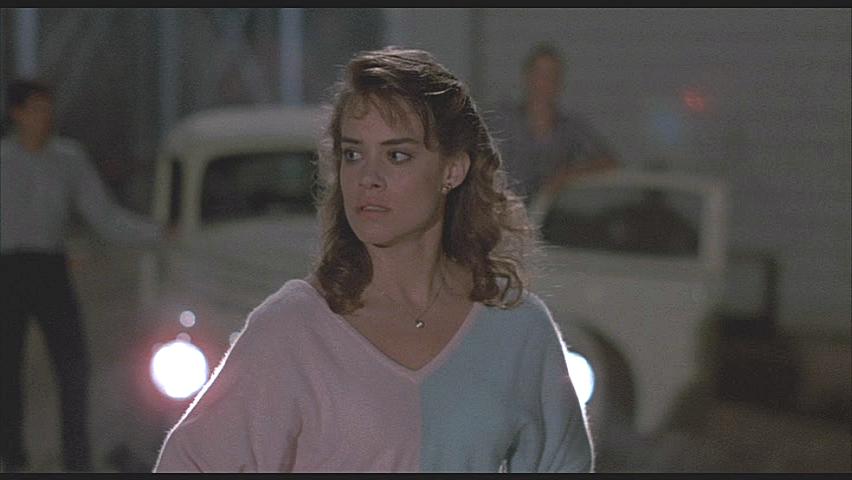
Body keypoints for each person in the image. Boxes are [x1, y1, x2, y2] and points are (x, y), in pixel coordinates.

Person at [153, 47, 593, 473]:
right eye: (353, 154)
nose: (368, 178)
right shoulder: (294, 329)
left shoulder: (516, 329)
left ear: (452, 170)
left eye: (397, 155)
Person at [1, 79, 165, 472]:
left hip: (50, 266)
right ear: (17, 113)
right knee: (6, 367)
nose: (45, 117)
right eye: (36, 109)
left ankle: (77, 460)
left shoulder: (67, 159)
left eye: (48, 108)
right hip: (8, 268)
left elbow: (103, 215)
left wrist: (156, 232)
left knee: (73, 366)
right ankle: (11, 456)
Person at [493, 43, 618, 207]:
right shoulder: (503, 120)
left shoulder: (570, 128)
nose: (545, 82)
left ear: (560, 82)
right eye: (539, 74)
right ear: (526, 77)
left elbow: (609, 163)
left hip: (549, 214)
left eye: (552, 75)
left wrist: (567, 176)